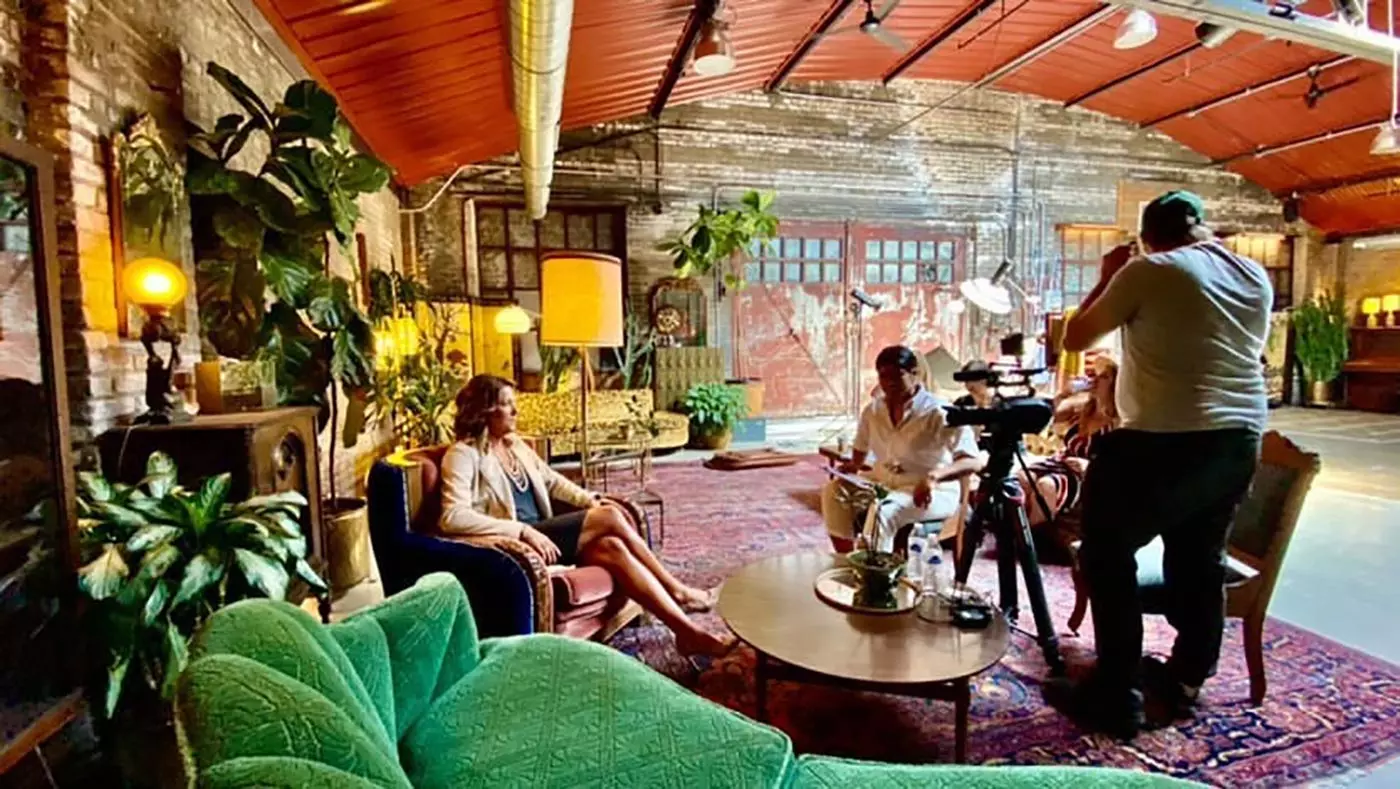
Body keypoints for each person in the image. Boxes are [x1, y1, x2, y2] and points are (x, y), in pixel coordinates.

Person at [1049, 191, 1271, 737]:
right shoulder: (1253, 274)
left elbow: (1075, 337)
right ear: (1202, 228)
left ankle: (1116, 691)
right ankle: (1187, 678)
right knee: (1199, 559)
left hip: (1164, 439)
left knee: (1105, 553)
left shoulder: (1150, 269)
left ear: (1147, 238)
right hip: (1239, 439)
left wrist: (1109, 275)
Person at [441, 374, 734, 657]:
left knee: (612, 547)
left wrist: (587, 499)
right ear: (485, 411)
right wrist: (521, 531)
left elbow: (553, 481)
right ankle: (679, 592)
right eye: (507, 404)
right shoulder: (463, 454)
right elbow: (452, 515)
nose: (515, 411)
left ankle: (685, 632)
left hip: (546, 533)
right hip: (521, 544)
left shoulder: (514, 445)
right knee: (610, 516)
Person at [822, 346, 984, 554]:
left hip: (931, 491)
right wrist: (853, 465)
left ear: (915, 374)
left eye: (897, 376)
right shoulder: (873, 410)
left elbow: (973, 462)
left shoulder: (939, 412)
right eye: (883, 376)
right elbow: (860, 448)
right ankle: (845, 559)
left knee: (883, 511)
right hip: (884, 483)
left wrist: (933, 477)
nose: (889, 383)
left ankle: (876, 569)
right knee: (834, 492)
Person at [1021, 355, 1120, 529]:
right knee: (1021, 478)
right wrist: (1065, 393)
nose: (1095, 380)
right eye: (1094, 375)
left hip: (1090, 474)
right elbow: (1051, 415)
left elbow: (1122, 462)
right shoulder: (1082, 408)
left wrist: (1090, 466)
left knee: (1046, 487)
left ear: (1116, 384)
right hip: (1062, 462)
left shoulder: (1119, 421)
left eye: (1104, 376)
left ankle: (1032, 538)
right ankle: (1013, 534)